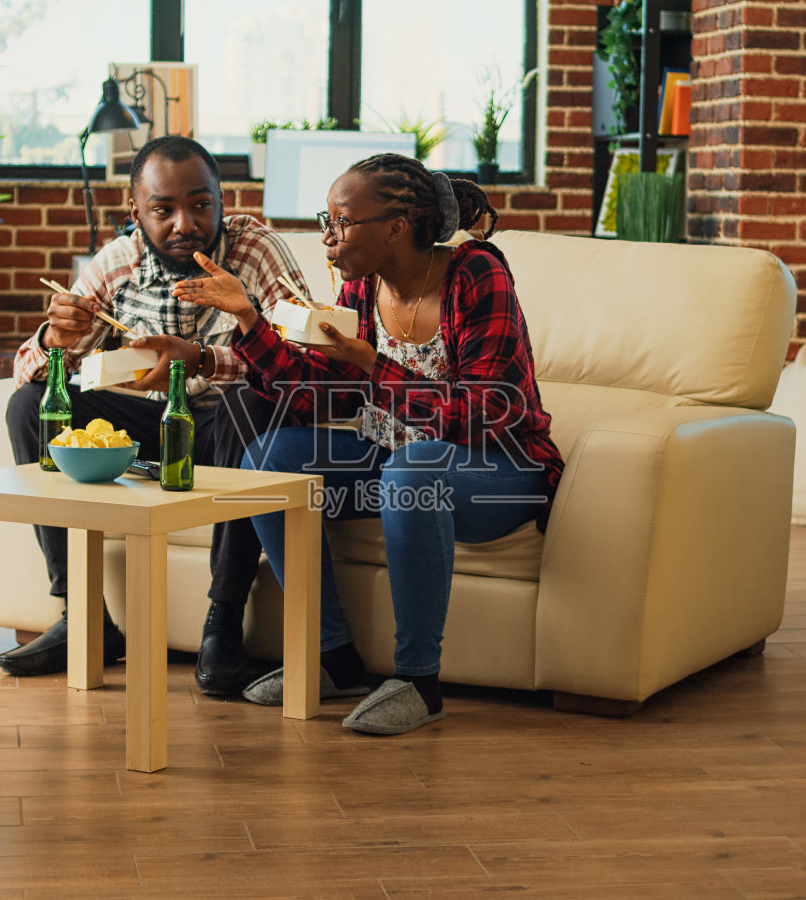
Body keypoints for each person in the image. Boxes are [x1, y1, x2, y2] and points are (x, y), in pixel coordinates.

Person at [172, 153, 563, 735]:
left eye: (341, 221)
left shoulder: (477, 274)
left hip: (501, 471)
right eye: (324, 219)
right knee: (270, 461)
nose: (326, 235)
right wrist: (251, 323)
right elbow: (318, 398)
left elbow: (489, 413)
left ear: (395, 228)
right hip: (393, 461)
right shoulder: (360, 288)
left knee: (412, 469)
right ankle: (334, 658)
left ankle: (418, 682)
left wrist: (374, 366)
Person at [3, 135, 311, 694]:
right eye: (163, 210)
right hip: (150, 428)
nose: (184, 223)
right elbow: (35, 366)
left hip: (227, 428)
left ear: (223, 199)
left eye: (200, 204)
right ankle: (85, 617)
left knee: (254, 400)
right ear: (135, 212)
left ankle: (223, 623)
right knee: (30, 404)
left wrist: (201, 358)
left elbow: (304, 362)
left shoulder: (257, 251)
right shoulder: (117, 262)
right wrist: (55, 337)